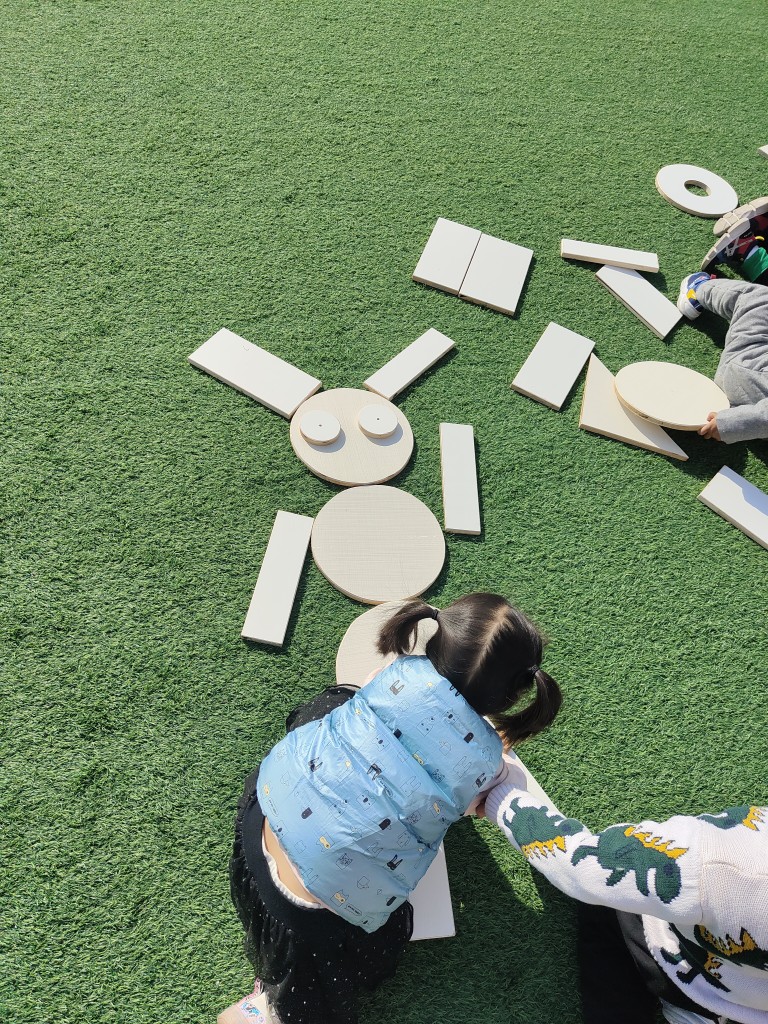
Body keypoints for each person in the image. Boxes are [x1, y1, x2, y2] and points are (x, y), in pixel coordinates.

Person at [219, 593, 562, 1024]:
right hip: (310, 918)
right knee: (384, 915)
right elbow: (476, 807)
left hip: (261, 816)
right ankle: (267, 1010)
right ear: (513, 697)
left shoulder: (395, 673)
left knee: (339, 701)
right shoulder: (490, 763)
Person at [479, 762, 768, 1024]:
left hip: (683, 962)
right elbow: (585, 866)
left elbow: (580, 865)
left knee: (606, 907)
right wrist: (503, 796)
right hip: (692, 966)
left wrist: (503, 792)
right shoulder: (724, 866)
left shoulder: (719, 866)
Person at [676, 273, 768, 444]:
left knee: (759, 299)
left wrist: (731, 424)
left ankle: (698, 290)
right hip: (753, 390)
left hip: (745, 374)